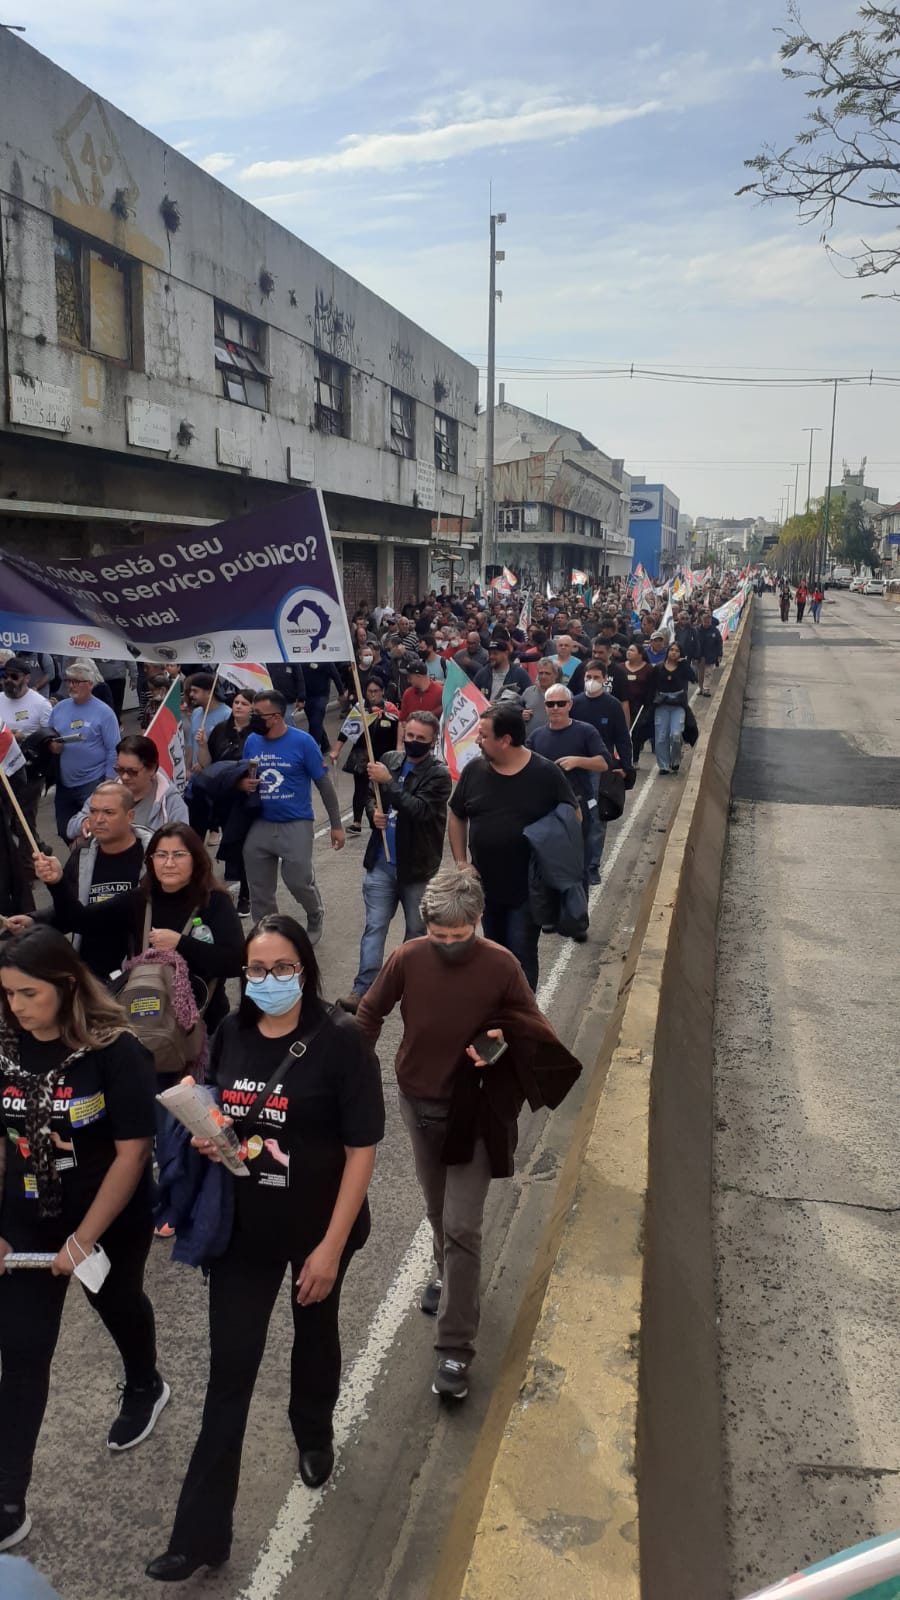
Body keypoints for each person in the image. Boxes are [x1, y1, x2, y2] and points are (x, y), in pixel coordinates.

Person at [145, 915, 384, 1583]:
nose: (269, 981)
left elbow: (362, 1149)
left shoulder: (340, 1042)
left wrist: (332, 1249)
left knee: (315, 1336)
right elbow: (220, 1106)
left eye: (282, 969)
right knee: (230, 1374)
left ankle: (313, 1432)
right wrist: (206, 1133)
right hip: (243, 1233)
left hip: (318, 1229)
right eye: (257, 970)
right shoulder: (230, 1033)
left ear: (304, 970)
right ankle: (200, 1536)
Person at [355, 869, 581, 1401]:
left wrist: (500, 1035)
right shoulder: (408, 957)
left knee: (462, 1226)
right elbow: (370, 1013)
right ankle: (448, 1275)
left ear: (478, 922)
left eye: (461, 937)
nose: (450, 947)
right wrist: (346, 1072)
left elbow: (537, 1027)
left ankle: (455, 1347)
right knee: (437, 1211)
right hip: (418, 1103)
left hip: (475, 1111)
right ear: (426, 926)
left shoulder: (502, 965)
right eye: (440, 937)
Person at [0, 928, 164, 1555]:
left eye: (28, 994)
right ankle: (9, 1497)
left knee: (117, 1304)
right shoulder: (6, 1043)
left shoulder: (114, 1050)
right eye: (8, 994)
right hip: (24, 1216)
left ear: (66, 987)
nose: (16, 1007)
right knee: (23, 1350)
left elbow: (131, 1153)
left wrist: (84, 1239)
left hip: (106, 1216)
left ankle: (145, 1382)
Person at [34, 823, 243, 1032]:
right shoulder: (140, 899)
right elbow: (80, 920)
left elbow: (235, 961)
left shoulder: (215, 902)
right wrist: (57, 882)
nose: (169, 863)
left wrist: (180, 943)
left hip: (204, 1021)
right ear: (151, 861)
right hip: (148, 1018)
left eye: (178, 855)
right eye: (161, 855)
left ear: (196, 860)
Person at [447, 704, 578, 990]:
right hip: (484, 888)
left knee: (520, 956)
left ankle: (524, 1018)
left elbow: (573, 817)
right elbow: (457, 813)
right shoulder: (474, 771)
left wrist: (545, 843)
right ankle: (498, 1016)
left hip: (527, 890)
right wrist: (460, 861)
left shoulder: (545, 773)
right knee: (492, 954)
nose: (477, 741)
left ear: (505, 740)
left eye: (483, 735)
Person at [339, 711, 450, 1012]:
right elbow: (372, 796)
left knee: (415, 932)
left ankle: (411, 986)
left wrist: (391, 784)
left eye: (420, 739)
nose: (413, 742)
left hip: (415, 869)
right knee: (374, 927)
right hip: (381, 864)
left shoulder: (438, 774)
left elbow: (421, 811)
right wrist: (375, 810)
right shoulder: (389, 759)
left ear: (433, 741)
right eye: (409, 736)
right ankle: (363, 990)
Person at [7, 783, 148, 980]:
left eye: (108, 812)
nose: (98, 819)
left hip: (137, 972)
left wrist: (57, 883)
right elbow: (69, 911)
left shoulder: (151, 857)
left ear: (130, 816)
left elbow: (83, 919)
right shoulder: (82, 854)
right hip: (90, 973)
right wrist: (35, 920)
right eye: (93, 811)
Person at [241, 691, 345, 942]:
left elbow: (324, 785)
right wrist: (243, 784)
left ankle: (314, 912)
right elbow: (244, 774)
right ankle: (269, 931)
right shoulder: (252, 741)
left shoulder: (304, 742)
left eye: (258, 714)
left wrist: (336, 825)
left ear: (276, 717)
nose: (253, 718)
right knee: (260, 889)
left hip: (296, 822)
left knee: (298, 880)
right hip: (260, 823)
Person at [526, 685, 610, 891]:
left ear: (569, 705)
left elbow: (604, 763)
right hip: (545, 809)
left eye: (560, 704)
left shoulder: (585, 731)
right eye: (550, 704)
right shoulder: (536, 736)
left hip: (577, 807)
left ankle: (576, 913)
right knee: (548, 862)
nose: (555, 708)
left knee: (577, 865)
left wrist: (578, 761)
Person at [572, 665, 633, 885]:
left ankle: (592, 867)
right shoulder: (574, 703)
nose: (592, 680)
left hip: (600, 770)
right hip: (575, 769)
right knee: (575, 817)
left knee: (597, 818)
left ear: (604, 679)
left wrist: (626, 765)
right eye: (588, 677)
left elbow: (622, 738)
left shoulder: (612, 705)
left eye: (596, 677)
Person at [47, 661, 120, 841]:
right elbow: (48, 735)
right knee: (65, 830)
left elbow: (114, 748)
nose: (71, 686)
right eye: (69, 681)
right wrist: (51, 745)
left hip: (92, 781)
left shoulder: (104, 712)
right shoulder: (59, 708)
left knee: (93, 831)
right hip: (65, 783)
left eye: (76, 681)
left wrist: (109, 781)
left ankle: (85, 864)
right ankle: (78, 860)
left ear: (90, 683)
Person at [0, 661, 52, 912]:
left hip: (30, 773)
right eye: (4, 676)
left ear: (27, 678)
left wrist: (25, 737)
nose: (8, 680)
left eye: (14, 676)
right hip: (4, 775)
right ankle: (40, 848)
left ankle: (28, 873)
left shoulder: (40, 704)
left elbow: (50, 738)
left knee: (22, 824)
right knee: (10, 823)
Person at [67, 734, 188, 840]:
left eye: (132, 771)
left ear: (152, 769)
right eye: (119, 770)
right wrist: (84, 823)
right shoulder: (105, 791)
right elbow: (71, 827)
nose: (124, 777)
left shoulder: (172, 803)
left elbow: (182, 844)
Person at [329, 676, 398, 835]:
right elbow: (346, 732)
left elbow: (399, 732)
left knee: (383, 790)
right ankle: (357, 822)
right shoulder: (359, 709)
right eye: (369, 692)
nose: (372, 695)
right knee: (360, 789)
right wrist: (336, 750)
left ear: (382, 692)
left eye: (376, 691)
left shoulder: (390, 709)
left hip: (384, 757)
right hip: (362, 756)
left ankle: (383, 818)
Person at [651, 643, 693, 775]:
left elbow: (693, 678)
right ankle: (663, 765)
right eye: (672, 650)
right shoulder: (658, 668)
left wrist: (685, 663)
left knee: (675, 735)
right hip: (662, 705)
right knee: (661, 737)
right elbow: (651, 687)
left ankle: (675, 760)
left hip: (677, 705)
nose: (674, 653)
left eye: (677, 651)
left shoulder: (682, 668)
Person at [184, 675, 230, 774]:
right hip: (194, 776)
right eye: (190, 691)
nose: (191, 694)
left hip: (214, 775)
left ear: (209, 692)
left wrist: (204, 764)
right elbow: (191, 744)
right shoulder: (196, 712)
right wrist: (187, 769)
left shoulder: (227, 715)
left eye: (195, 691)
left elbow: (225, 750)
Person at [195, 692, 255, 769]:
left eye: (244, 704)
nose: (238, 706)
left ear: (253, 708)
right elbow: (206, 764)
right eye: (236, 702)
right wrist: (202, 746)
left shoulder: (257, 732)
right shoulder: (220, 728)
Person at [300, 661, 344, 755]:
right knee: (315, 721)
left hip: (321, 696)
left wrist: (341, 693)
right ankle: (325, 745)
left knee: (315, 722)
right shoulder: (301, 659)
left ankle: (311, 751)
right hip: (307, 697)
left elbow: (336, 676)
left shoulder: (326, 661)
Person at [396, 663, 443, 749]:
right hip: (411, 743)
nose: (408, 681)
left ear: (419, 676)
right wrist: (399, 745)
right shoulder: (408, 693)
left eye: (410, 677)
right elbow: (402, 721)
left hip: (433, 745)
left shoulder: (440, 692)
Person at [473, 638, 531, 703]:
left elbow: (529, 698)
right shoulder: (482, 674)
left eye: (495, 653)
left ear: (506, 654)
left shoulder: (520, 674)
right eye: (490, 653)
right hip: (487, 712)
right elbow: (473, 696)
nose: (491, 656)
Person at [522, 659, 561, 730]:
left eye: (547, 673)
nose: (543, 676)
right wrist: (522, 714)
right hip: (531, 739)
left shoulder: (563, 694)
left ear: (555, 675)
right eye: (541, 673)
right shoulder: (528, 692)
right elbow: (518, 710)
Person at [695, 612, 723, 697]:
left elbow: (719, 643)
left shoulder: (715, 631)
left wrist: (719, 654)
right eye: (705, 622)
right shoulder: (697, 630)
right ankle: (700, 688)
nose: (707, 624)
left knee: (708, 673)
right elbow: (694, 643)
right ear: (702, 621)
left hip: (711, 655)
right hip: (700, 656)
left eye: (708, 622)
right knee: (700, 674)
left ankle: (706, 689)